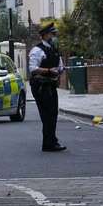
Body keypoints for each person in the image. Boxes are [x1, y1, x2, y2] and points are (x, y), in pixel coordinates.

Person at [28, 22, 66, 152]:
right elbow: (33, 69)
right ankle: (49, 143)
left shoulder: (54, 50)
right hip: (40, 86)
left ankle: (50, 141)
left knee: (53, 113)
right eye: (52, 34)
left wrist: (60, 71)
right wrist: (49, 70)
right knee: (47, 114)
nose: (54, 36)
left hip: (51, 85)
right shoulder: (37, 50)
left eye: (54, 34)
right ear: (44, 35)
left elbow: (60, 66)